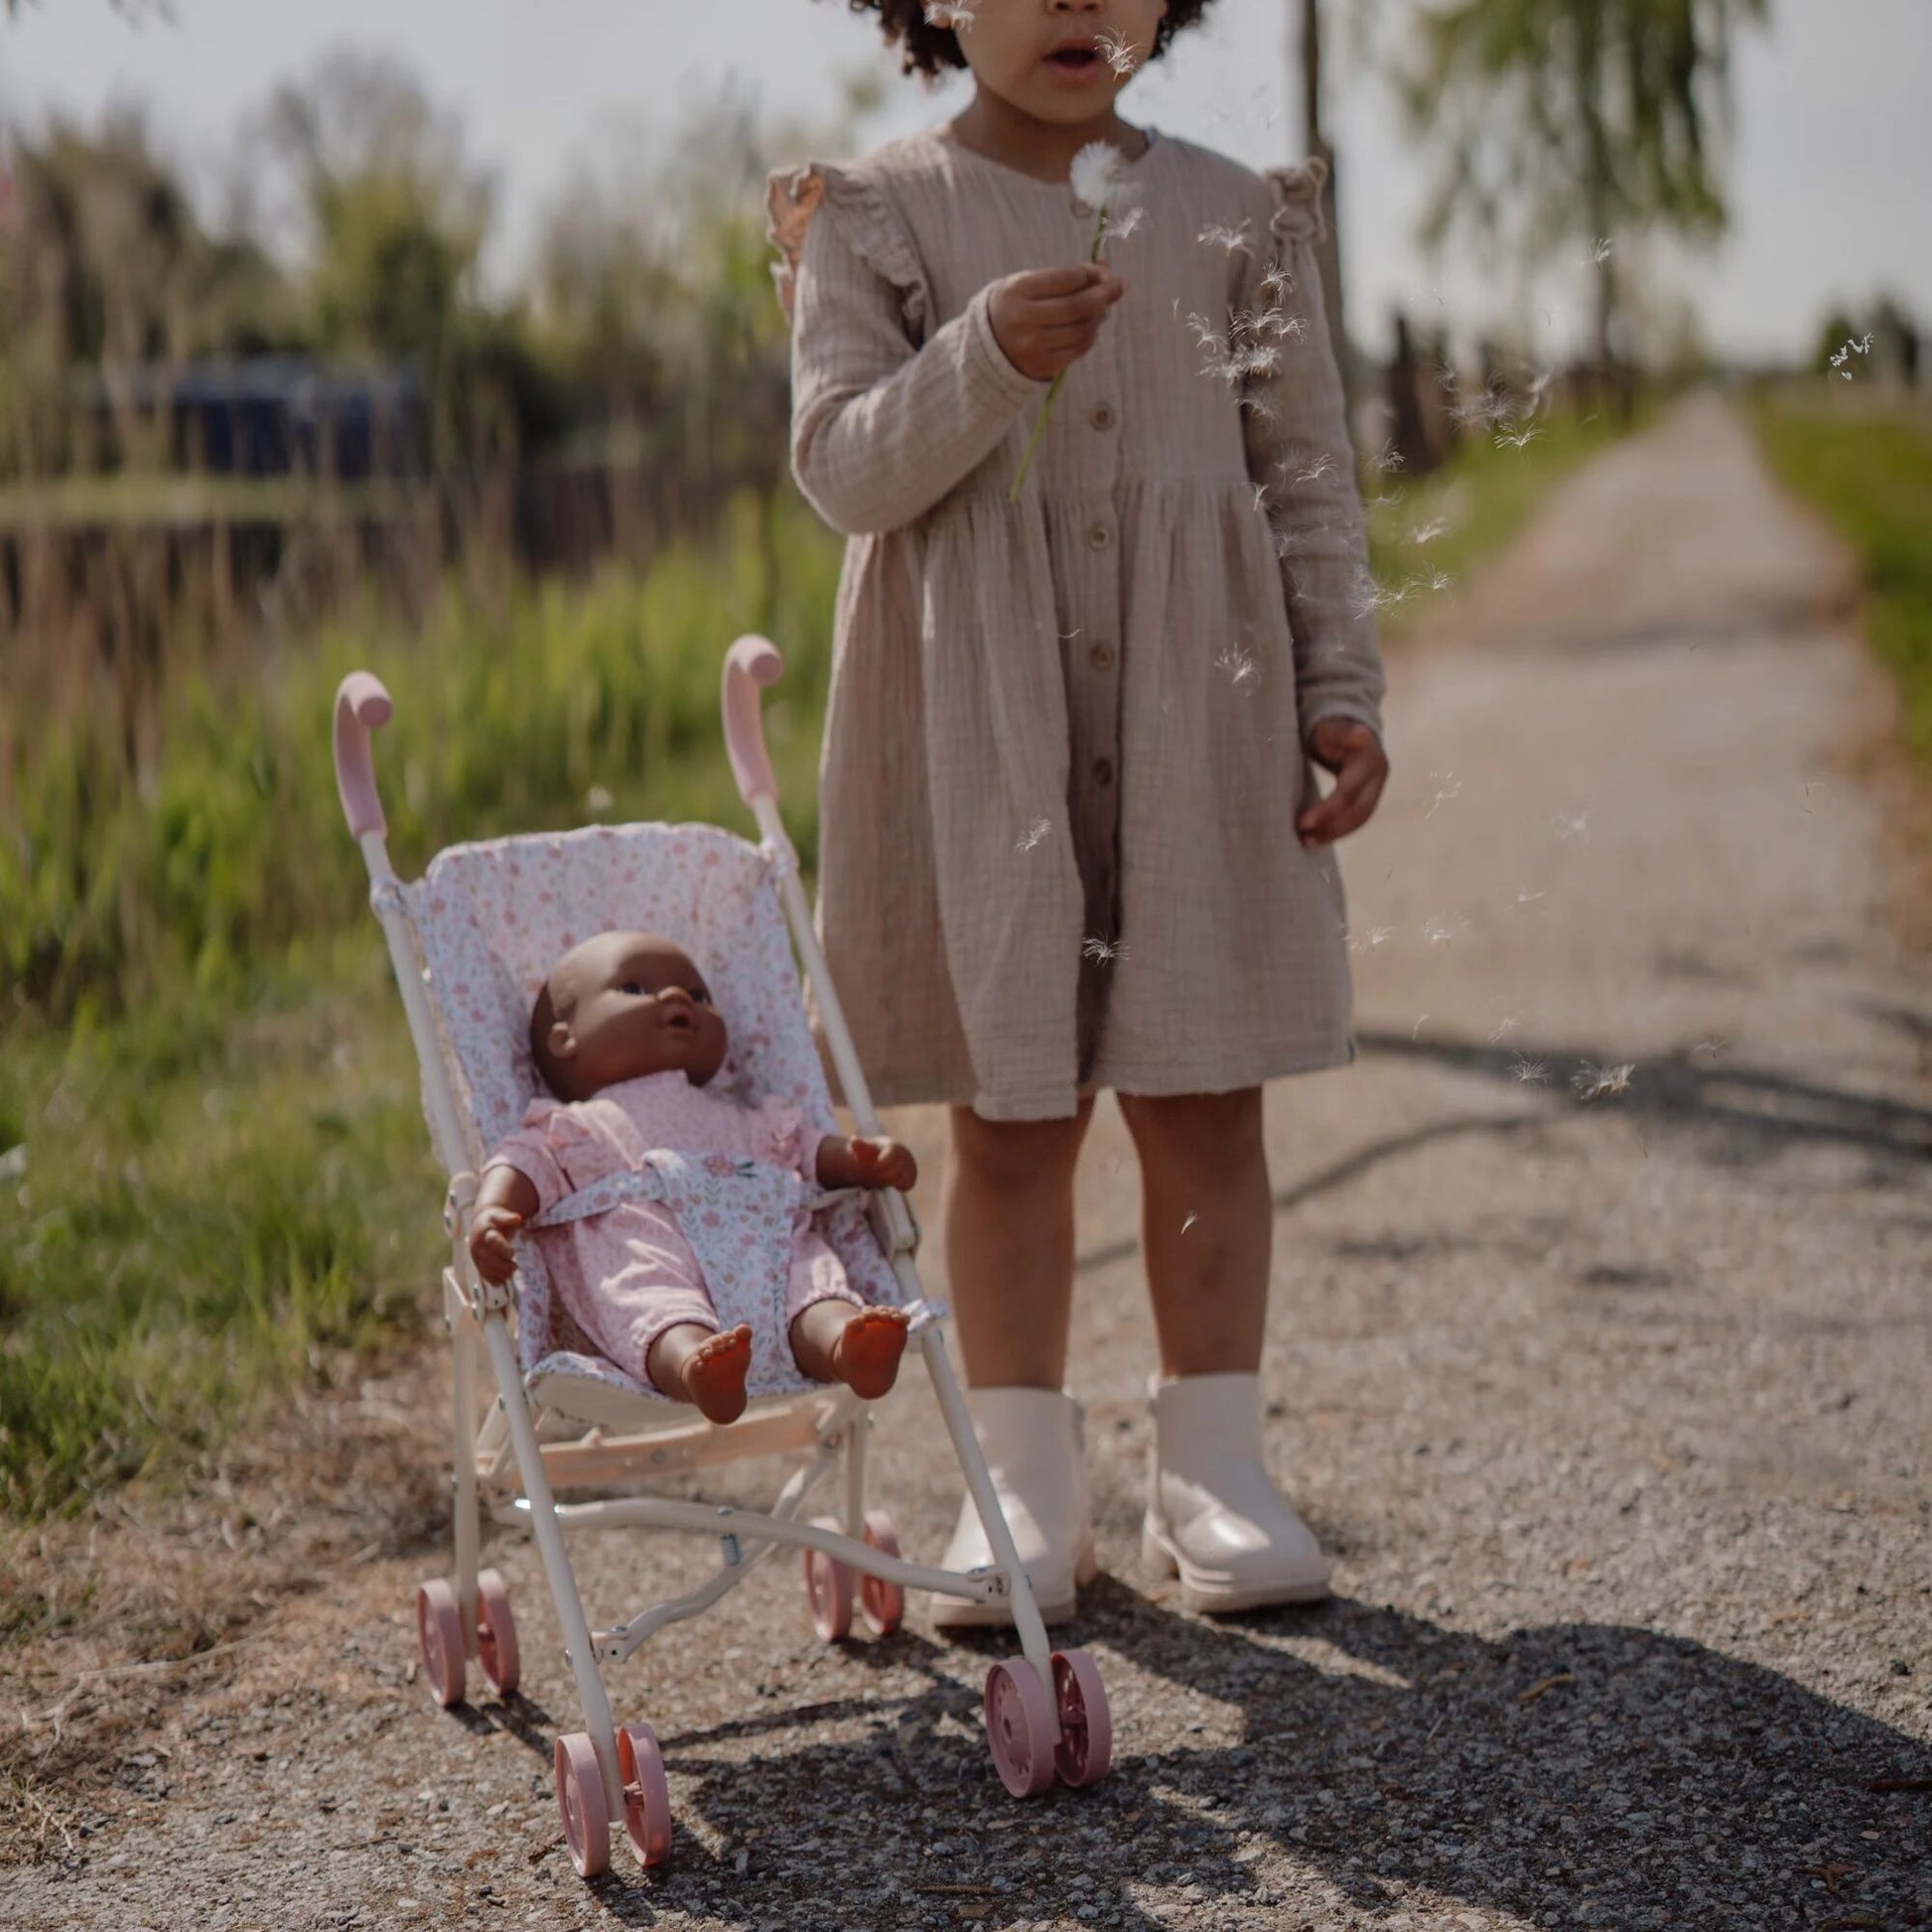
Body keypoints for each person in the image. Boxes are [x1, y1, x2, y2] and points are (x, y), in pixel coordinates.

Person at [766, 0, 1390, 1619]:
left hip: (1199, 712)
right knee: (1013, 1117)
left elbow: (1304, 475)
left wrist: (1341, 690)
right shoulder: (880, 211)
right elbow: (839, 466)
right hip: (987, 726)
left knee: (1203, 1100)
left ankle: (1214, 1470)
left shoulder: (1237, 214)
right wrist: (976, 358)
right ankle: (1024, 1488)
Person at [468, 930, 917, 1426]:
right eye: (635, 989)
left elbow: (803, 1150)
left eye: (699, 995)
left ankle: (844, 1343)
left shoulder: (740, 1116)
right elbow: (522, 1162)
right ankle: (694, 1366)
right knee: (650, 1301)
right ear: (565, 1038)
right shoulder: (577, 1125)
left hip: (764, 1249)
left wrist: (861, 1160)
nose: (679, 997)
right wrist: (491, 1210)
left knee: (810, 1284)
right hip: (650, 1253)